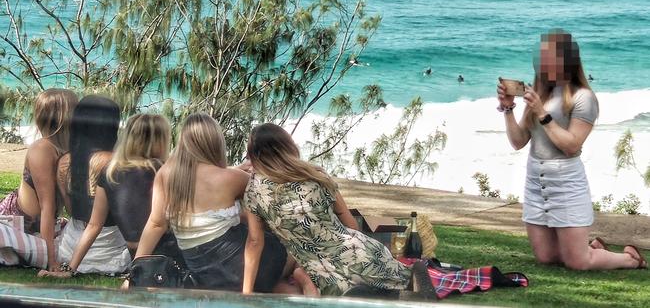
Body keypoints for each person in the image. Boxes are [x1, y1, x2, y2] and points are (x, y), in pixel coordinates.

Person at [496, 29, 646, 270]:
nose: (543, 63)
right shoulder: (541, 94)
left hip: (565, 182)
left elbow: (572, 145)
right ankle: (593, 247)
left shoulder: (584, 97)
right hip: (535, 180)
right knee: (546, 258)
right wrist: (508, 109)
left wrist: (542, 114)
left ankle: (629, 259)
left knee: (577, 262)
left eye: (549, 57)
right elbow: (518, 142)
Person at [243, 123, 435, 297]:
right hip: (363, 251)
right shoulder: (314, 173)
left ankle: (382, 293)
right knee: (392, 283)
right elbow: (350, 223)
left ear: (253, 155)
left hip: (326, 270)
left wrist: (246, 291)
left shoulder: (254, 191)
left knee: (321, 289)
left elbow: (254, 242)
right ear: (288, 146)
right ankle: (412, 282)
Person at [135, 113, 316, 294]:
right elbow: (277, 203)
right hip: (241, 268)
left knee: (274, 281)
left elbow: (156, 224)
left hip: (206, 275)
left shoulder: (166, 175)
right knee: (292, 250)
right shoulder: (233, 179)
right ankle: (303, 279)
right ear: (215, 143)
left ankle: (293, 288)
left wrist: (136, 268)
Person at [39, 114, 182, 278]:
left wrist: (70, 269)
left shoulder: (110, 172)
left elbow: (93, 226)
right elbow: (160, 224)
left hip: (136, 254)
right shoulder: (162, 171)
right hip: (164, 253)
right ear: (161, 140)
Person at [0, 89, 78, 271]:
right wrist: (51, 262)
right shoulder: (42, 149)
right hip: (17, 222)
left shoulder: (66, 149)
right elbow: (47, 207)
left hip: (44, 223)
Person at [55, 95, 131, 274]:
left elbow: (71, 209)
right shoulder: (114, 162)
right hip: (109, 252)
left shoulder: (64, 161)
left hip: (69, 247)